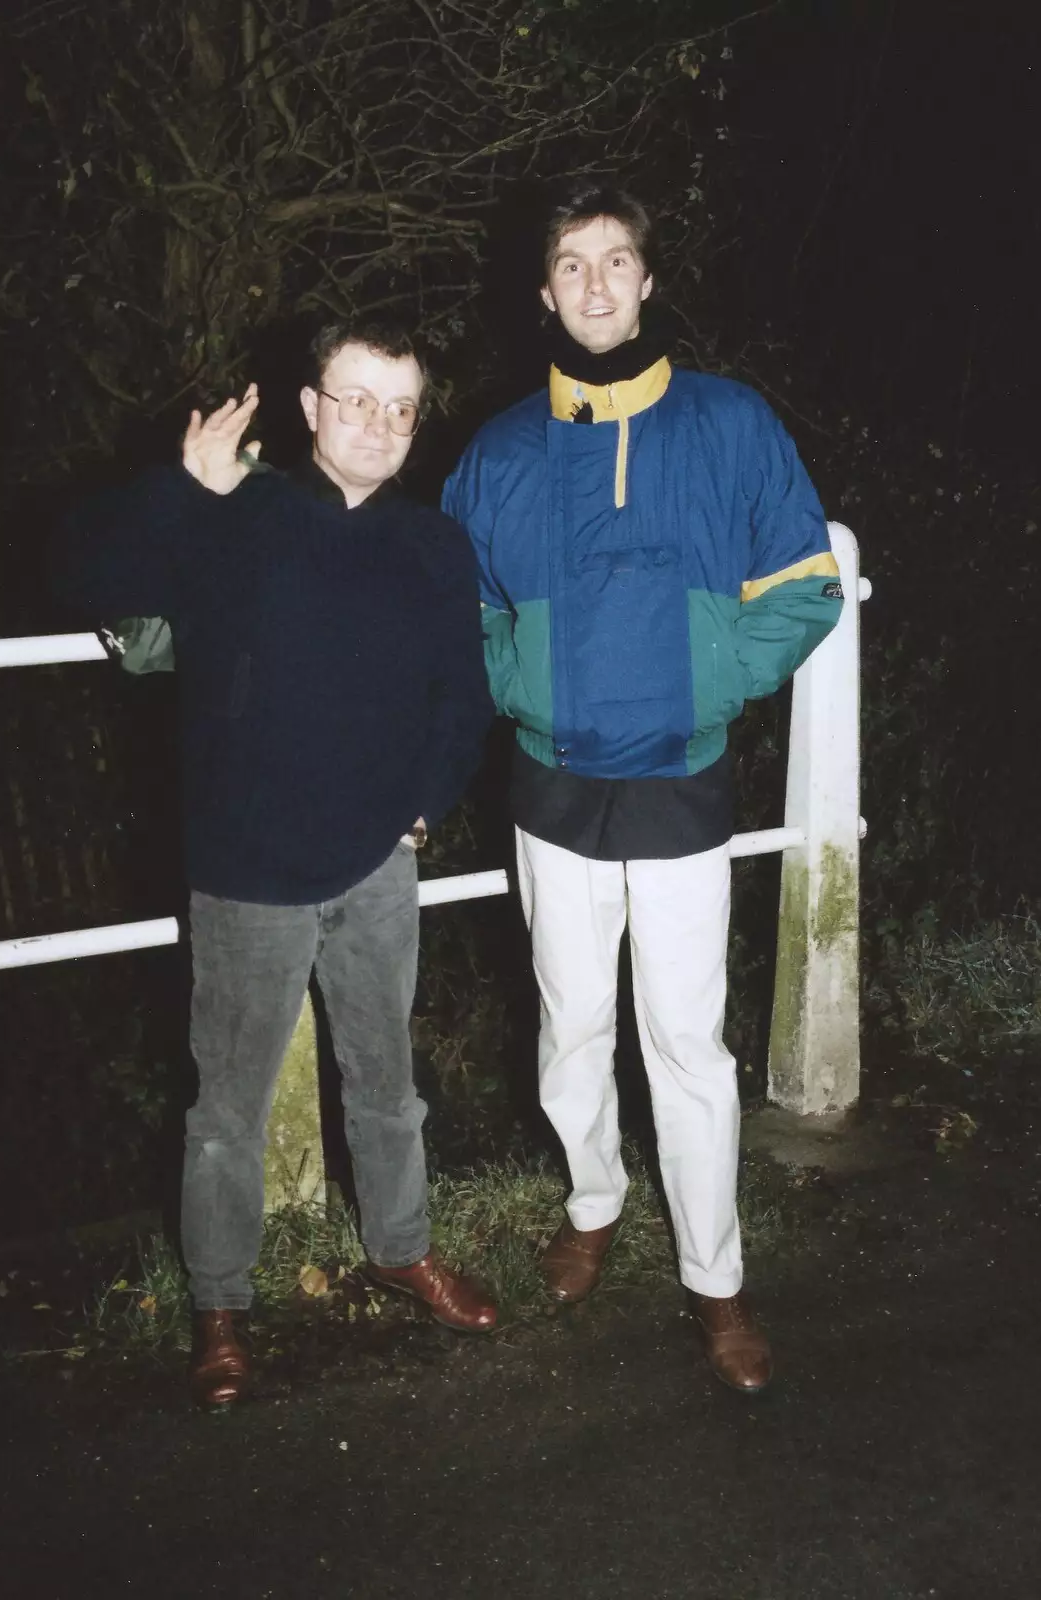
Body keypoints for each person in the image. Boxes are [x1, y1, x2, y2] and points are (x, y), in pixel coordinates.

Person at [443, 184, 843, 1394]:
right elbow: (455, 617)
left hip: (680, 783)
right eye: (575, 265)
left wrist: (702, 679)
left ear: (649, 280)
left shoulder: (730, 424)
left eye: (619, 261)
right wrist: (530, 686)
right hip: (554, 792)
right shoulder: (500, 449)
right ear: (546, 290)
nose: (599, 285)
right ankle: (596, 1201)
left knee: (687, 1039)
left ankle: (716, 1279)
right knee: (569, 1026)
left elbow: (808, 583)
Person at [59, 319, 498, 1409]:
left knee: (389, 1088)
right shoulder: (237, 513)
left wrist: (425, 808)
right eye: (356, 399)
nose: (380, 425)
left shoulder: (434, 544)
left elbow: (463, 693)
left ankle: (401, 1250)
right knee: (227, 1111)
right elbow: (89, 571)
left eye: (400, 408)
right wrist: (185, 486)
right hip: (246, 867)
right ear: (309, 408)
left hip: (377, 867)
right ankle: (221, 1305)